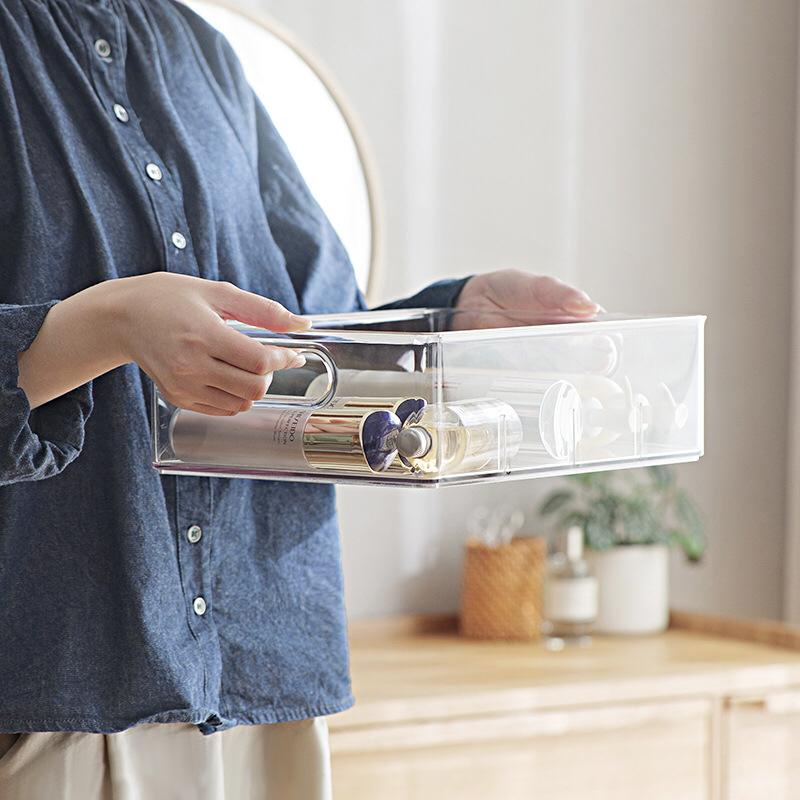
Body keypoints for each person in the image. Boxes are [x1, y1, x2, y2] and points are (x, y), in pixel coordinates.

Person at [0, 0, 600, 797]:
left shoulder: (198, 51)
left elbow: (308, 347)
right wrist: (105, 324)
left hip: (260, 679)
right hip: (62, 691)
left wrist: (454, 316)